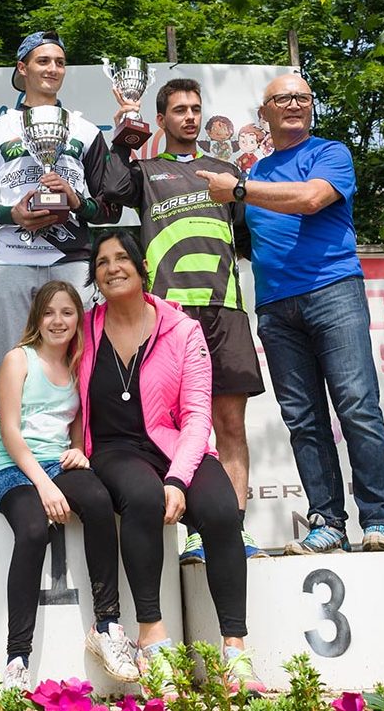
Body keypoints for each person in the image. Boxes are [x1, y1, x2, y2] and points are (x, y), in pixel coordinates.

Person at [0, 232, 265, 696]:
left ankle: (235, 648)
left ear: (141, 267)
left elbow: (198, 416)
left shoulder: (182, 329)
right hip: (114, 449)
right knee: (142, 496)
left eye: (121, 259)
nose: (112, 268)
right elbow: (38, 375)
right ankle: (152, 638)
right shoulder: (84, 328)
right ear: (94, 276)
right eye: (102, 262)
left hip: (173, 445)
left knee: (220, 510)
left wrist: (179, 478)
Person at [196, 73, 384, 554]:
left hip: (334, 292)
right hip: (274, 307)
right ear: (263, 113)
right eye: (283, 98)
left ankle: (378, 520)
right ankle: (327, 521)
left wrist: (240, 191)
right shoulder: (255, 173)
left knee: (357, 406)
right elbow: (243, 239)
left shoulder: (330, 153)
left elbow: (310, 199)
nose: (293, 104)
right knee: (303, 419)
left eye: (302, 97)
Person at [108, 78, 266, 563]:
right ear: (161, 120)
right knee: (178, 427)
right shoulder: (146, 171)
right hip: (170, 315)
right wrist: (124, 132)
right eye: (179, 110)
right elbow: (111, 189)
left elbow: (246, 236)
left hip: (225, 309)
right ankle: (198, 530)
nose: (190, 117)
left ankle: (232, 529)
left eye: (196, 108)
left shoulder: (226, 171)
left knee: (230, 424)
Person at [0, 280, 138, 691]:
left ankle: (107, 627)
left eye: (67, 312)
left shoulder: (78, 364)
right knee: (33, 529)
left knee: (99, 500)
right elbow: (10, 432)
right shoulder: (19, 359)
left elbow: (77, 423)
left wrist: (79, 451)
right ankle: (17, 659)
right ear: (37, 318)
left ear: (77, 319)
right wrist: (45, 487)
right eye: (49, 312)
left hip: (57, 462)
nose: (58, 321)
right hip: (12, 466)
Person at [0, 30, 122, 367]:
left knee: (81, 365)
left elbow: (111, 208)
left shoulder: (85, 130)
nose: (53, 69)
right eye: (43, 61)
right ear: (23, 68)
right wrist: (10, 213)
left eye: (60, 62)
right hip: (13, 259)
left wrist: (77, 202)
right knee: (14, 364)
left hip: (71, 260)